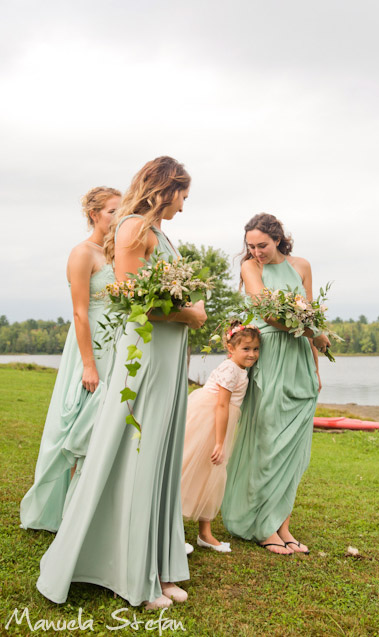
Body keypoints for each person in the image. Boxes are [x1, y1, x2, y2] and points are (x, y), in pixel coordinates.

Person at [37, 157, 206, 610]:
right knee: (139, 455)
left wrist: (191, 306)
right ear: (165, 189)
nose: (184, 207)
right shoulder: (131, 228)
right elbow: (137, 303)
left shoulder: (161, 233)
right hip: (145, 355)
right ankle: (134, 575)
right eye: (183, 197)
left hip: (170, 357)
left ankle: (161, 564)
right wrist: (191, 313)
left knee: (161, 456)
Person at [221, 213, 329, 555]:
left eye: (262, 245)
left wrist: (315, 368)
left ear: (278, 239)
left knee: (293, 450)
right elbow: (268, 313)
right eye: (251, 246)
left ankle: (283, 526)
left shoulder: (302, 266)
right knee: (268, 442)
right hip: (270, 357)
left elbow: (308, 314)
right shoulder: (250, 269)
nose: (256, 252)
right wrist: (315, 331)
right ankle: (263, 526)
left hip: (299, 359)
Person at [20, 187, 121, 531]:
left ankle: (93, 509)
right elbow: (79, 313)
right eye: (112, 211)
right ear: (94, 215)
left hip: (120, 344)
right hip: (90, 345)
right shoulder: (82, 253)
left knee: (109, 423)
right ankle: (69, 514)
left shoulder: (121, 253)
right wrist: (89, 364)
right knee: (83, 422)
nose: (118, 217)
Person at [182, 320, 260, 552]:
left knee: (211, 474)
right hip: (210, 421)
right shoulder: (230, 369)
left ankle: (205, 533)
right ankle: (172, 531)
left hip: (219, 423)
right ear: (230, 349)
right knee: (189, 470)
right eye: (246, 349)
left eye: (255, 349)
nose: (252, 354)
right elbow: (222, 405)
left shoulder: (239, 369)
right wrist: (219, 441)